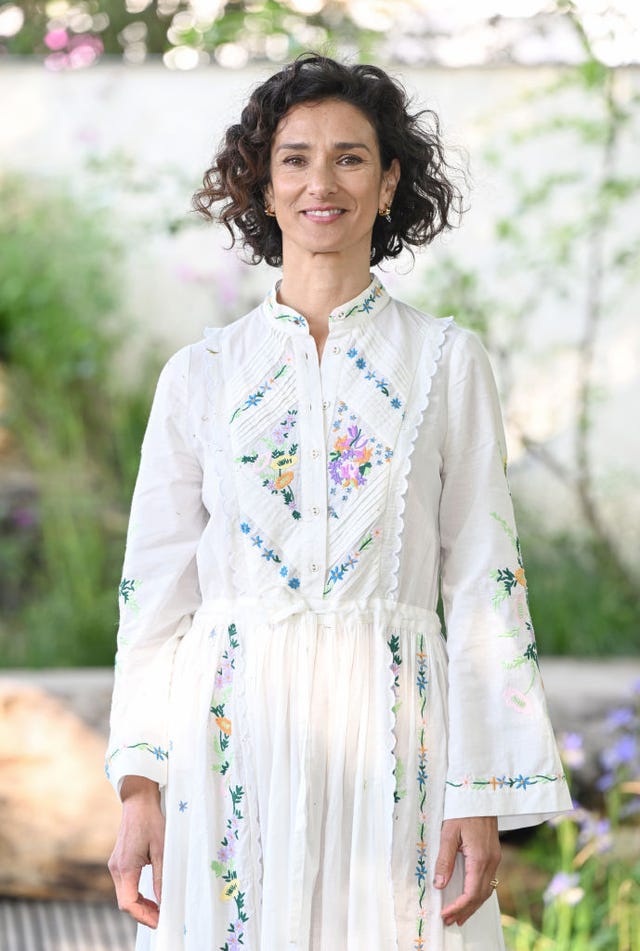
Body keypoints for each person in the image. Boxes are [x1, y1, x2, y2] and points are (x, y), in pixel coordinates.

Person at [106, 53, 572, 951]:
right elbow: (155, 597)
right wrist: (139, 786)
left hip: (400, 739)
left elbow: (483, 582)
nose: (324, 181)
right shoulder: (200, 376)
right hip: (229, 738)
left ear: (391, 181)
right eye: (295, 158)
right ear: (263, 184)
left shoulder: (447, 362)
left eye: (352, 157)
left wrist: (476, 792)